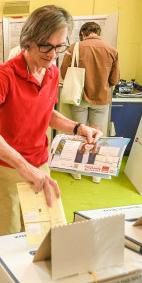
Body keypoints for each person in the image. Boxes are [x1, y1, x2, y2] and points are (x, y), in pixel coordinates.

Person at [0, 5, 103, 237]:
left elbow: (45, 112)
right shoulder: (4, 74)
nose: (52, 54)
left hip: (40, 163)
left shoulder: (52, 72)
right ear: (28, 41)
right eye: (45, 46)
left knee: (40, 232)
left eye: (59, 47)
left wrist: (77, 127)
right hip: (8, 167)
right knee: (5, 237)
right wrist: (22, 165)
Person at [60, 21, 119, 183]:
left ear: (83, 34)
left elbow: (64, 73)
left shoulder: (74, 48)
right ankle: (95, 173)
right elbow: (115, 79)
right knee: (97, 133)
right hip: (102, 98)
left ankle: (77, 170)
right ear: (97, 32)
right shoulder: (112, 50)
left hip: (80, 97)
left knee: (80, 132)